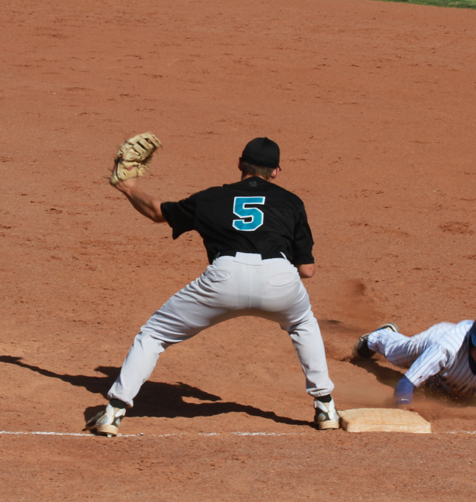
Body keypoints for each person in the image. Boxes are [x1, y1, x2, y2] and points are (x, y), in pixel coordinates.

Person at [86, 137, 340, 436]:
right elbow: (307, 271)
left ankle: (114, 411)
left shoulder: (211, 198)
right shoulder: (292, 202)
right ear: (275, 172)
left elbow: (157, 212)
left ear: (240, 164)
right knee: (302, 324)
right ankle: (325, 406)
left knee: (154, 334)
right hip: (279, 278)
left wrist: (128, 187)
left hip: (224, 278)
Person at [352, 308, 476, 407]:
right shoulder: (446, 346)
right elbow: (406, 383)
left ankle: (436, 380)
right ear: (472, 342)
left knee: (444, 389)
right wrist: (403, 404)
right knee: (399, 352)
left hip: (450, 364)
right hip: (434, 340)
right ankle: (378, 337)